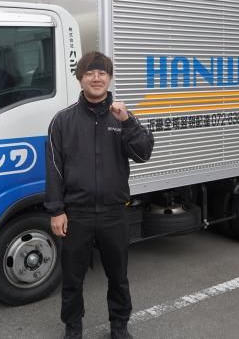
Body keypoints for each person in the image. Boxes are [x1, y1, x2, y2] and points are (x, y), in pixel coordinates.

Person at [45, 51, 154, 339]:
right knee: (72, 278)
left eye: (102, 73)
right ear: (80, 78)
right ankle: (73, 327)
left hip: (114, 213)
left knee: (118, 276)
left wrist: (127, 121)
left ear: (110, 78)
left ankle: (119, 325)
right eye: (90, 73)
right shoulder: (62, 121)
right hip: (76, 214)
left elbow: (144, 153)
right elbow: (54, 168)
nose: (96, 78)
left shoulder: (122, 117)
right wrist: (56, 210)